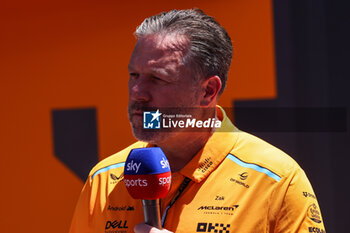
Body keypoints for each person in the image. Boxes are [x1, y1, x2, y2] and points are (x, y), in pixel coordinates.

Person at [69, 9, 325, 233]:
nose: (137, 91)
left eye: (158, 78)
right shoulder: (105, 178)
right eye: (134, 75)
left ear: (208, 91)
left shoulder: (276, 180)